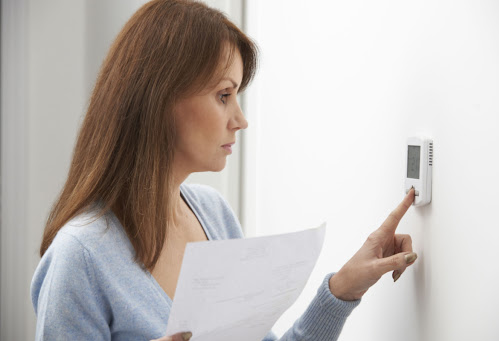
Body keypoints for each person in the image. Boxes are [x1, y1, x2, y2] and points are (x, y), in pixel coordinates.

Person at [30, 0, 418, 340]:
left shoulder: (214, 215)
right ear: (160, 98)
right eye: (224, 95)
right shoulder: (79, 257)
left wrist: (343, 289)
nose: (240, 120)